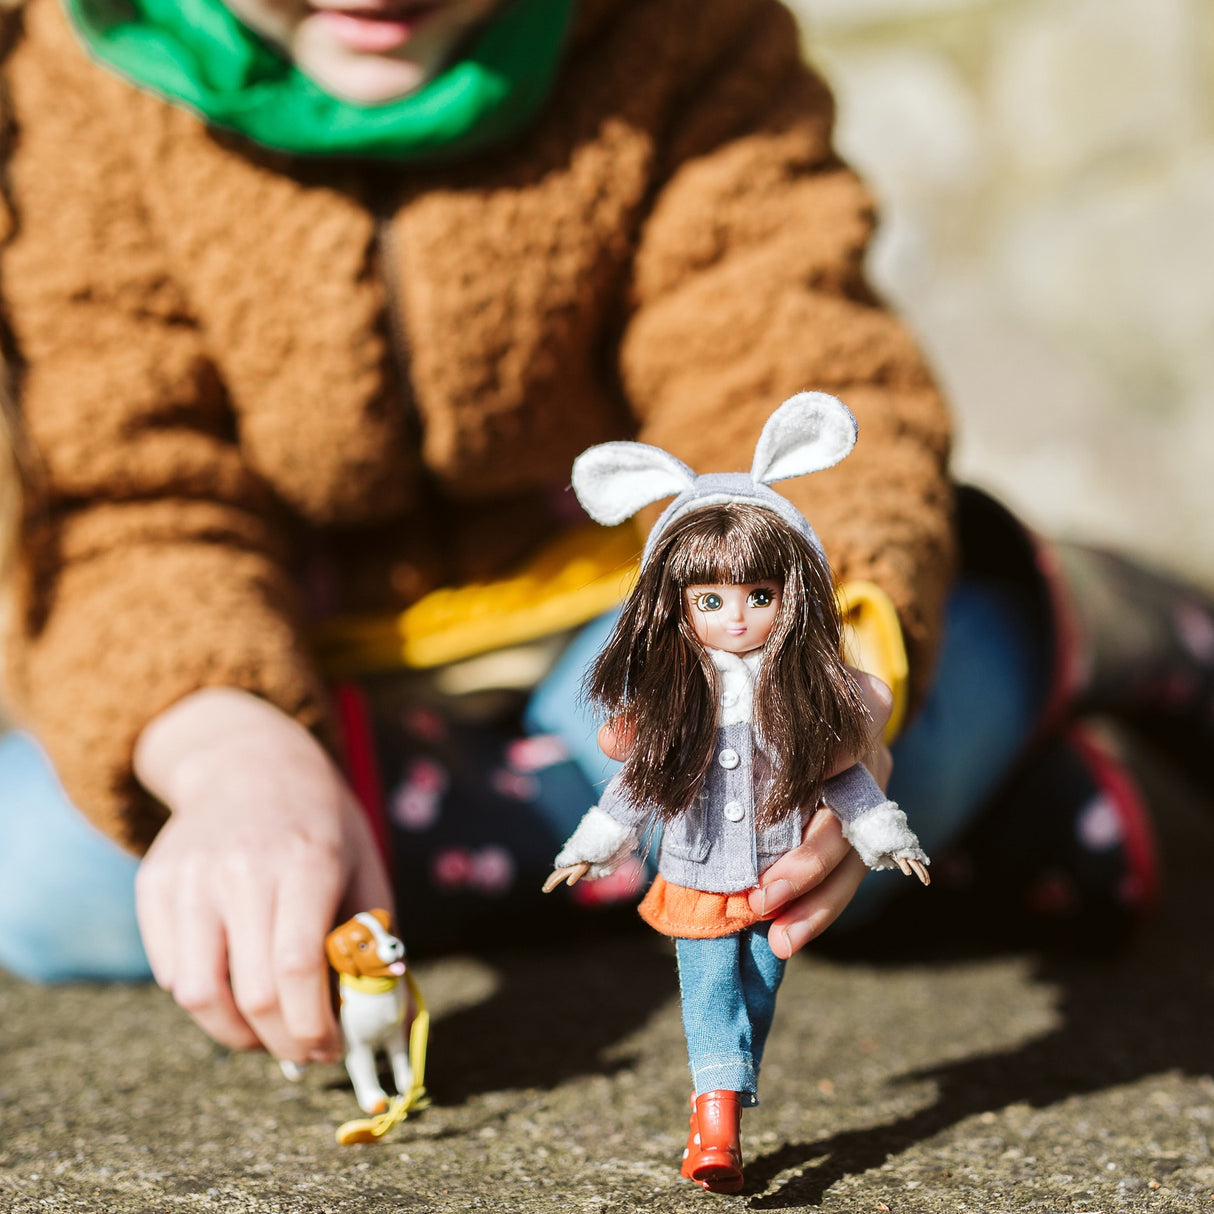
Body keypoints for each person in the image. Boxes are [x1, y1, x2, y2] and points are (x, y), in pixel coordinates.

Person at [0, 0, 1209, 1074]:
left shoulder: (673, 28)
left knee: (803, 762)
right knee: (48, 871)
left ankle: (1069, 617)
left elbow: (781, 356)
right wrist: (231, 755)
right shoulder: (71, 81)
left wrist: (825, 687)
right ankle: (992, 820)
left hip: (647, 625)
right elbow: (121, 493)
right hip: (303, 672)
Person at [542, 395, 930, 1192]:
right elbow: (634, 785)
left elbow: (844, 775)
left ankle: (719, 1099)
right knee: (709, 985)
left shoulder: (800, 702)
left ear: (795, 597)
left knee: (758, 984)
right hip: (693, 868)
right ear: (675, 607)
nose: (738, 618)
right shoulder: (678, 705)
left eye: (759, 596)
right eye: (710, 601)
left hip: (773, 864)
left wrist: (888, 836)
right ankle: (716, 1114)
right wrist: (590, 847)